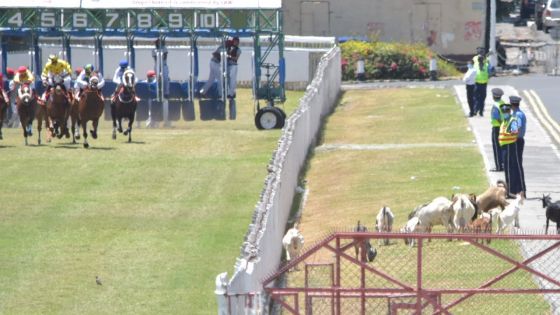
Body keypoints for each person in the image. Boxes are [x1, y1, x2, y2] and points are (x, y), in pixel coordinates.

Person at [498, 103, 526, 199]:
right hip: (505, 147)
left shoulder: (512, 120)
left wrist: (506, 133)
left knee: (510, 170)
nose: (504, 113)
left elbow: (514, 131)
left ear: (509, 111)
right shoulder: (504, 121)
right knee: (506, 169)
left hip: (510, 146)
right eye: (503, 112)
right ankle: (509, 190)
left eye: (506, 111)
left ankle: (511, 191)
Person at [510, 95, 527, 196]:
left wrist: (510, 132)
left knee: (517, 165)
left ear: (512, 104)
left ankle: (522, 190)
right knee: (515, 165)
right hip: (516, 140)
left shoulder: (517, 115)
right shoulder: (517, 113)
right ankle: (517, 189)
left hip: (517, 140)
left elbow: (517, 127)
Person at [489, 88, 506, 172]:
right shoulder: (503, 103)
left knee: (496, 148)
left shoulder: (495, 105)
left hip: (497, 128)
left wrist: (500, 124)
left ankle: (498, 166)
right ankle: (503, 164)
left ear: (493, 96)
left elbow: (496, 117)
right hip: (504, 127)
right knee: (502, 147)